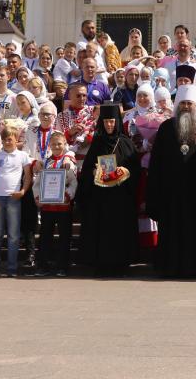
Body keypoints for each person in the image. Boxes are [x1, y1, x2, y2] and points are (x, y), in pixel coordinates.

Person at [147, 86, 196, 278]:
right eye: (183, 103)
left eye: (190, 103)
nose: (186, 107)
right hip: (171, 193)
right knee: (172, 231)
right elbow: (156, 162)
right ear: (178, 105)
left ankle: (194, 269)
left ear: (195, 106)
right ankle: (171, 268)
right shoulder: (166, 128)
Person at [77, 103, 140, 276]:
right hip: (101, 197)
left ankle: (121, 264)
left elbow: (134, 168)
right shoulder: (97, 143)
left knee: (120, 230)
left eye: (112, 121)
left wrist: (123, 173)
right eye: (105, 122)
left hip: (121, 197)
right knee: (101, 229)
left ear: (117, 122)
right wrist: (94, 172)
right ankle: (101, 263)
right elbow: (88, 169)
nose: (109, 125)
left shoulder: (126, 143)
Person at [0, 125, 33, 278]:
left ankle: (12, 268)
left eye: (10, 139)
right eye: (5, 140)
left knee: (13, 235)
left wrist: (23, 191)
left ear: (16, 140)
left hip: (14, 198)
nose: (7, 142)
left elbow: (28, 176)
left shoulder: (23, 156)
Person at [32, 131, 77, 277]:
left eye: (59, 144)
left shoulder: (68, 160)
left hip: (63, 207)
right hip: (47, 207)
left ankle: (62, 267)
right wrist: (37, 197)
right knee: (45, 237)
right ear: (49, 145)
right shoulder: (45, 162)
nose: (57, 146)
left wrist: (68, 196)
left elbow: (73, 182)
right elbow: (37, 184)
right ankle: (42, 266)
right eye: (54, 144)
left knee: (64, 238)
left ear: (64, 144)